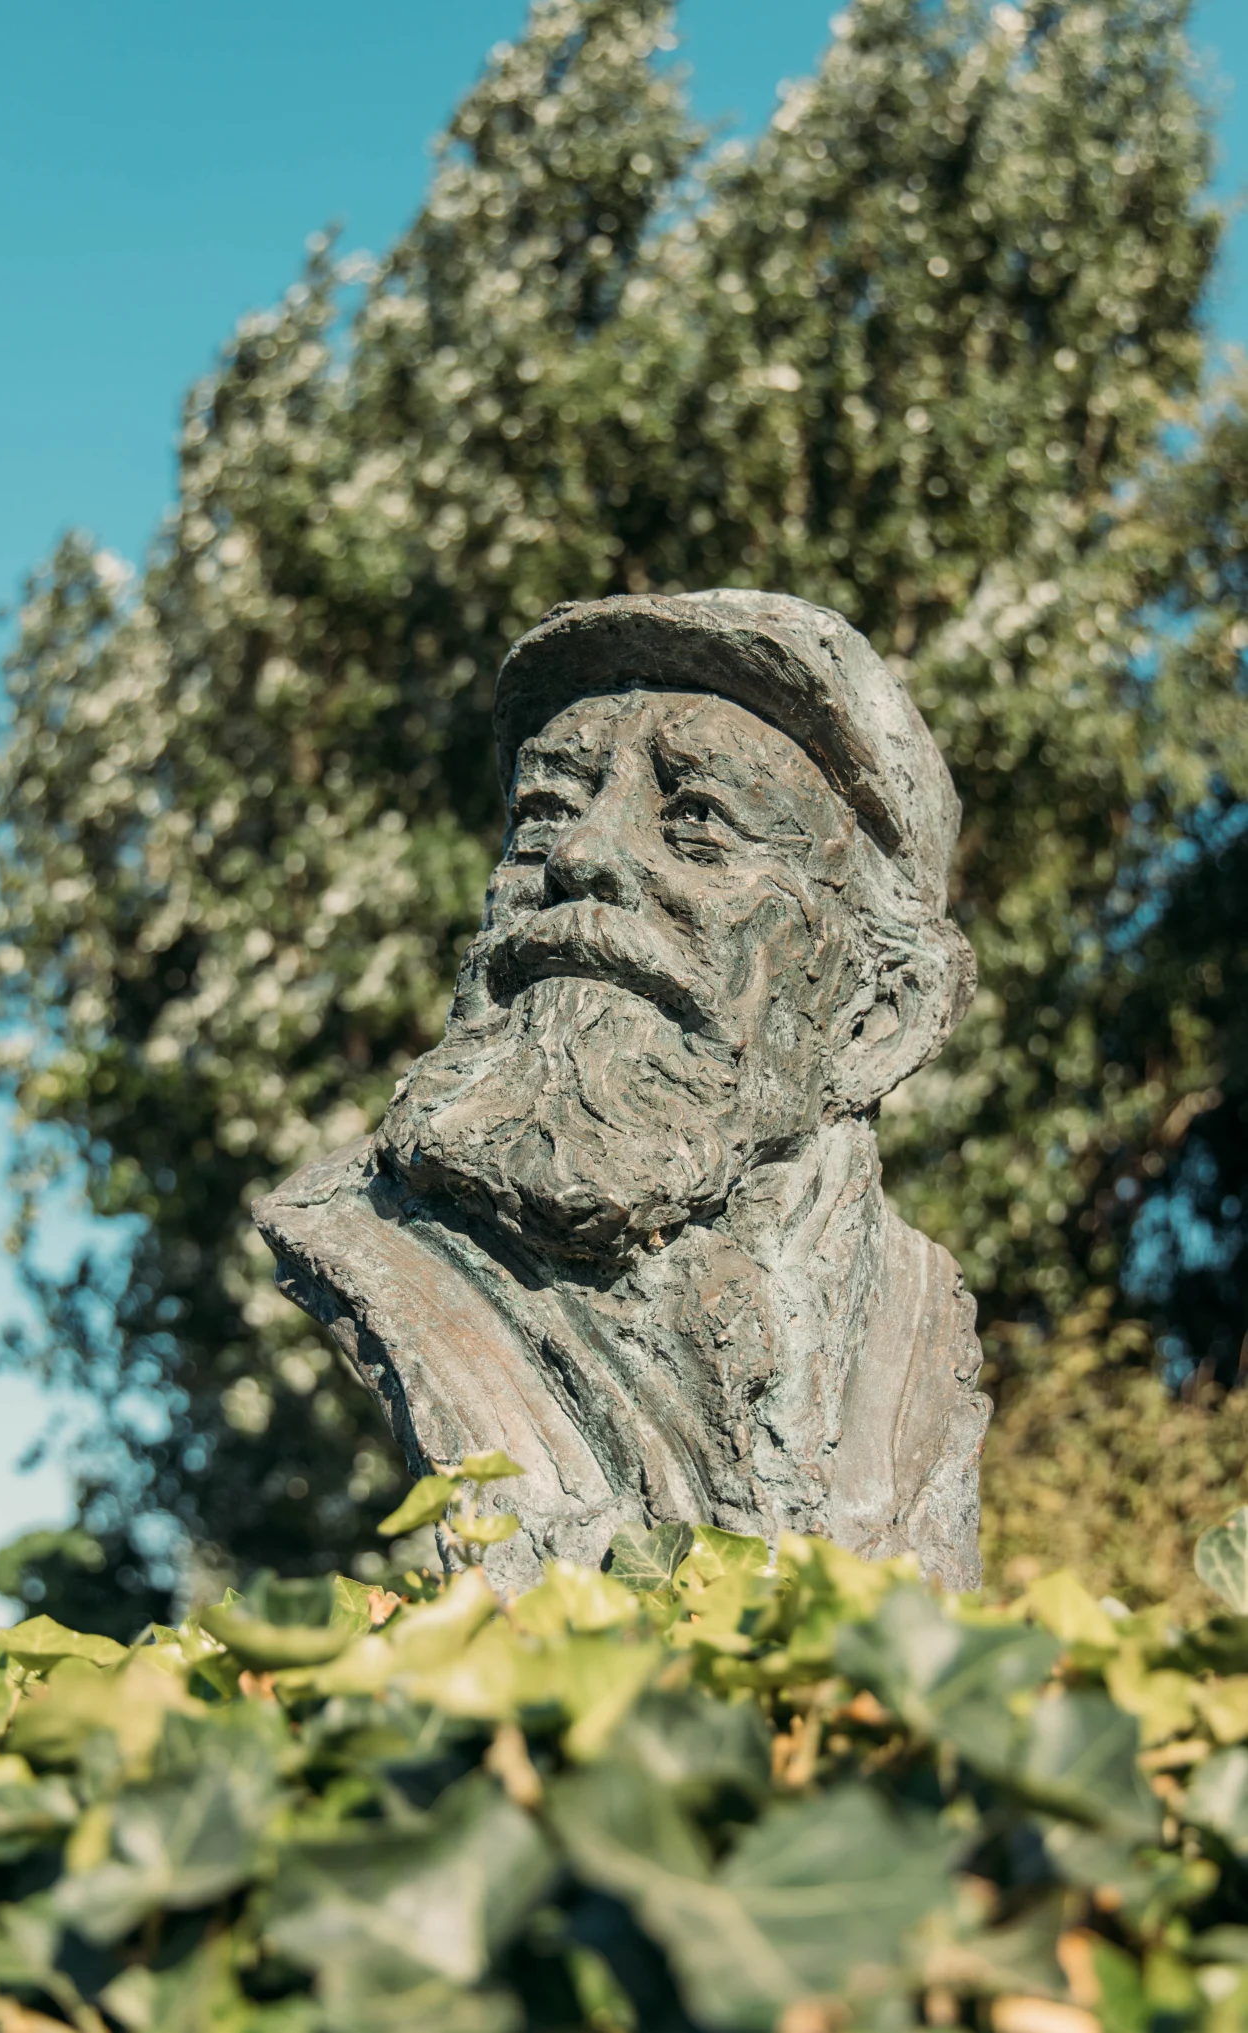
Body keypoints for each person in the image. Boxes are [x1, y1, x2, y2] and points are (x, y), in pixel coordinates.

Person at [257, 590, 990, 1587]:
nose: (580, 854)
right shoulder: (359, 1235)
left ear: (877, 1019)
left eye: (699, 823)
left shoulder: (915, 1322)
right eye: (546, 812)